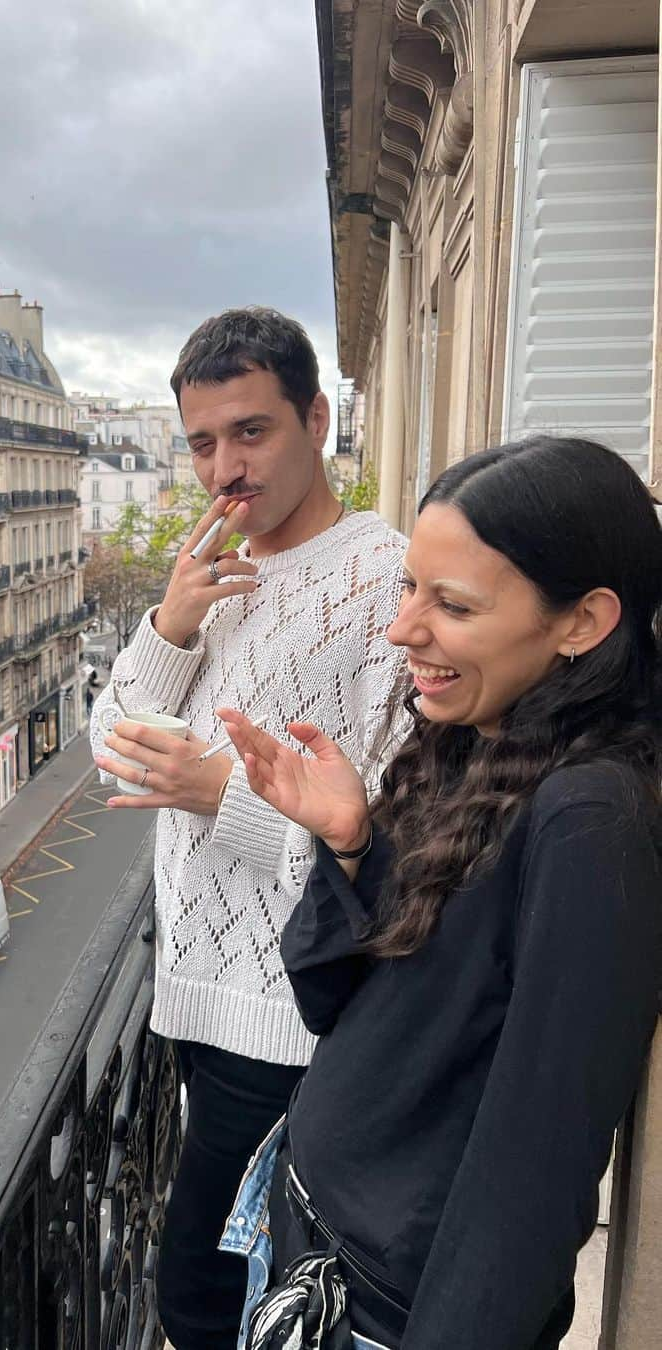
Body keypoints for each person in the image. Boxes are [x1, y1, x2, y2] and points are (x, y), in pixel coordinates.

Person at [217, 435, 662, 1350]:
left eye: (451, 604)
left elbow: (538, 1167)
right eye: (409, 587)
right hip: (310, 1240)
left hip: (380, 1309)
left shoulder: (589, 815)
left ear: (582, 623)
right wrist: (348, 843)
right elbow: (329, 998)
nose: (402, 628)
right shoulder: (475, 737)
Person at [90, 307, 407, 1350]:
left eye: (251, 432)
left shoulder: (382, 583)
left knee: (206, 1301)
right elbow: (113, 745)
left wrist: (213, 792)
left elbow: (385, 846)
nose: (224, 467)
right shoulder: (210, 576)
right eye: (200, 443)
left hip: (289, 1021)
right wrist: (169, 628)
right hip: (196, 1000)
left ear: (318, 420)